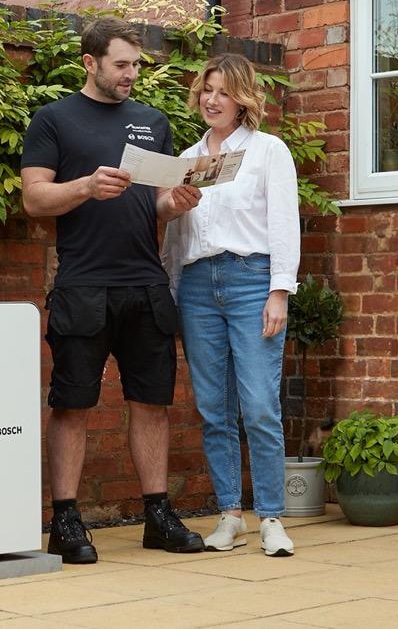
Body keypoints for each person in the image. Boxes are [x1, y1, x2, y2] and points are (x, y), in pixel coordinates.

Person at [21, 17, 205, 564]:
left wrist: (174, 204)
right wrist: (84, 186)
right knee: (72, 404)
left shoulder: (153, 121)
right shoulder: (52, 120)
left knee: (152, 404)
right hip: (83, 284)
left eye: (136, 66)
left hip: (146, 284)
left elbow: (156, 202)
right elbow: (34, 200)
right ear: (90, 63)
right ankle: (67, 522)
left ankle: (157, 515)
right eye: (121, 65)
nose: (131, 75)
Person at [162, 53, 301, 557]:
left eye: (222, 91)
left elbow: (285, 223)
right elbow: (178, 237)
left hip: (250, 281)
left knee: (260, 405)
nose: (211, 99)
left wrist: (279, 291)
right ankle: (229, 514)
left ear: (242, 99)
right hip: (198, 286)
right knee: (213, 408)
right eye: (205, 89)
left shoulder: (268, 151)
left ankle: (271, 518)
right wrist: (175, 291)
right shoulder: (187, 159)